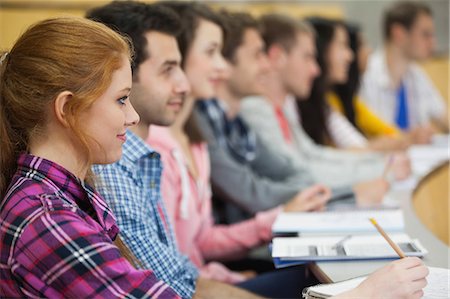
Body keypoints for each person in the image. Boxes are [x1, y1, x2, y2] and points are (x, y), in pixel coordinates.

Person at [88, 1, 262, 298]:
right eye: (168, 70)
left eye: (180, 67)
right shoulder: (111, 165)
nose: (183, 84)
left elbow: (180, 270)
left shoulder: (145, 156)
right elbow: (170, 286)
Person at [148, 9, 330, 286]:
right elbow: (169, 266)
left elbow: (202, 241)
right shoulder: (156, 148)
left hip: (209, 276)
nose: (221, 67)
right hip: (196, 285)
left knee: (312, 275)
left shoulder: (196, 140)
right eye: (211, 52)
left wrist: (279, 218)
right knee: (310, 281)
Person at [0, 17, 179, 298]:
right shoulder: (49, 220)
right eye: (121, 99)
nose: (133, 117)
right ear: (67, 108)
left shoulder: (61, 196)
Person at [239, 14, 410, 195]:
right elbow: (299, 172)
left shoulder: (279, 107)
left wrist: (381, 163)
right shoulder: (255, 108)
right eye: (307, 57)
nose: (316, 69)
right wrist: (381, 170)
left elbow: (314, 154)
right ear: (278, 57)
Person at [360, 1, 448, 142]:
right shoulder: (366, 76)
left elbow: (445, 118)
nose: (433, 43)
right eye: (426, 34)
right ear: (399, 33)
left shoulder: (416, 75)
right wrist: (409, 139)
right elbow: (365, 140)